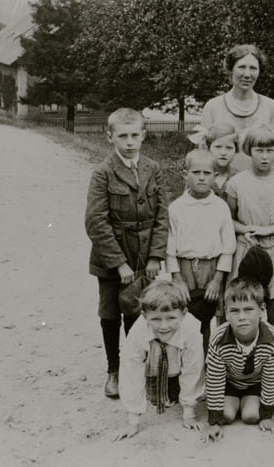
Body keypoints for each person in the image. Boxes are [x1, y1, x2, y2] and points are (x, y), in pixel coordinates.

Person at [85, 107, 168, 398]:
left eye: (135, 135)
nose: (130, 142)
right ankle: (114, 370)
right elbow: (96, 222)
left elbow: (162, 215)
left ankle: (137, 367)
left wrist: (156, 255)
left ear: (144, 135)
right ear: (110, 137)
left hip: (144, 255)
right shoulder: (103, 173)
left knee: (138, 310)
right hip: (111, 257)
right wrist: (119, 263)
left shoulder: (153, 168)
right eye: (123, 136)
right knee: (110, 313)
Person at [226, 124, 274, 337]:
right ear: (249, 150)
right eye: (259, 150)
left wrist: (268, 230)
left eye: (270, 150)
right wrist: (246, 229)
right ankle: (245, 349)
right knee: (245, 305)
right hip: (248, 250)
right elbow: (228, 220)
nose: (265, 156)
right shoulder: (237, 182)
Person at [113, 281, 204, 441]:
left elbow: (193, 369)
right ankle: (155, 384)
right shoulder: (137, 333)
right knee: (153, 398)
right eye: (155, 319)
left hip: (177, 365)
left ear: (183, 314)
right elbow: (131, 372)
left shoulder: (191, 331)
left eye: (171, 318)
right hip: (153, 365)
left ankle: (172, 385)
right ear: (144, 316)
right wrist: (133, 422)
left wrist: (189, 413)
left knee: (178, 394)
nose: (163, 326)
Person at [166, 149, 236, 351]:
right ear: (185, 175)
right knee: (185, 314)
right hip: (185, 268)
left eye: (207, 173)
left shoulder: (220, 207)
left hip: (211, 267)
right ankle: (186, 359)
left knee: (211, 314)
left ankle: (212, 358)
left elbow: (228, 246)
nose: (202, 178)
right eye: (196, 172)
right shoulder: (177, 208)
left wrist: (217, 279)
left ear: (215, 176)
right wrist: (177, 278)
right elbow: (169, 246)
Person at [203, 278, 274, 442]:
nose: (242, 317)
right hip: (229, 383)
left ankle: (251, 402)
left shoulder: (273, 340)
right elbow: (215, 378)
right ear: (226, 313)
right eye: (234, 311)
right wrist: (214, 421)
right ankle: (234, 402)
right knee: (226, 415)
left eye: (248, 310)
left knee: (251, 416)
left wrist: (267, 416)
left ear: (262, 310)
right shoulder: (218, 339)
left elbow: (270, 379)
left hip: (255, 384)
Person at [201, 44, 274, 172]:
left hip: (261, 180)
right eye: (241, 67)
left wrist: (263, 178)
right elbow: (202, 153)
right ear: (230, 70)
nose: (247, 74)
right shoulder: (213, 106)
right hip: (222, 180)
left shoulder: (270, 106)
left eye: (253, 68)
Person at [202, 122, 239, 201]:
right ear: (208, 148)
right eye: (218, 147)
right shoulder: (200, 175)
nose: (223, 153)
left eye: (229, 148)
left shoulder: (239, 178)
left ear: (236, 150)